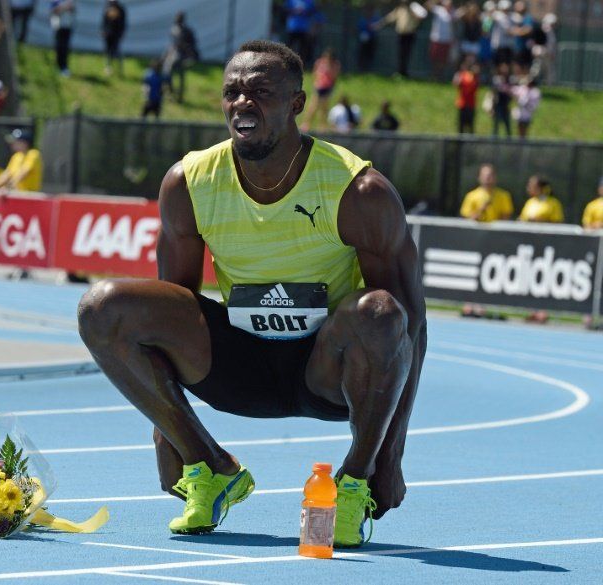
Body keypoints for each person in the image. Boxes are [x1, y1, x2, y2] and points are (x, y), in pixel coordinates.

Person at [77, 40, 426, 546]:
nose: (243, 103)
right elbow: (174, 307)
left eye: (261, 91)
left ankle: (353, 483)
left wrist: (389, 454)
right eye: (232, 93)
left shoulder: (358, 190)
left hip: (328, 372)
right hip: (235, 365)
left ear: (297, 104)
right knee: (103, 308)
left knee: (380, 312)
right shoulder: (190, 181)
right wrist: (168, 431)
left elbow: (409, 327)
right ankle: (211, 466)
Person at [375, 0, 427, 78]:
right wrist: (379, 24)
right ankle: (400, 71)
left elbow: (422, 15)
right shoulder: (399, 9)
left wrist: (412, 11)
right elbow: (390, 18)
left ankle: (404, 72)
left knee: (407, 54)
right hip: (401, 34)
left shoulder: (414, 7)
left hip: (410, 34)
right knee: (401, 54)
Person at [162, 11, 199, 104]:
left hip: (183, 55)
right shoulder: (173, 29)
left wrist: (189, 53)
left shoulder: (187, 31)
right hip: (174, 54)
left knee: (180, 76)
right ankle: (170, 92)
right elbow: (172, 44)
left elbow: (192, 44)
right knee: (167, 71)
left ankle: (180, 96)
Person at [300, 48, 340, 132]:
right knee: (313, 106)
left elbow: (334, 77)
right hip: (319, 86)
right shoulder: (320, 62)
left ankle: (323, 125)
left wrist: (329, 69)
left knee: (324, 108)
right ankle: (306, 123)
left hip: (328, 87)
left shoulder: (335, 65)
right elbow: (315, 73)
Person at [283, 0, 322, 67]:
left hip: (304, 29)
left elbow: (313, 12)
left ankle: (301, 66)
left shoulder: (309, 2)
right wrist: (295, 11)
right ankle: (286, 64)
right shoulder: (291, 1)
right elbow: (285, 10)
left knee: (303, 49)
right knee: (289, 47)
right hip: (292, 27)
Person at [426, 0, 455, 81]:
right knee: (434, 58)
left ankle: (440, 76)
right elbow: (428, 5)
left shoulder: (452, 12)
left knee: (443, 60)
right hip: (437, 39)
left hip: (447, 40)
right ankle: (433, 75)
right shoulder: (438, 10)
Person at [453, 56, 478, 134]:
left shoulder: (474, 75)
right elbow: (456, 83)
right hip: (462, 104)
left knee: (470, 126)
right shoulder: (461, 75)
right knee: (461, 127)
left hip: (471, 104)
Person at [101, 0, 126, 76]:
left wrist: (121, 33)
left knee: (116, 51)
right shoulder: (107, 6)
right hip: (108, 33)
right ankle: (108, 67)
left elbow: (123, 23)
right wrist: (103, 30)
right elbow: (104, 20)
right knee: (107, 51)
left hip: (116, 34)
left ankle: (120, 68)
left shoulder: (121, 8)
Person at [51, 0, 75, 77]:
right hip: (58, 26)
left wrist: (70, 8)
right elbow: (54, 10)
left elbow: (73, 10)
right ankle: (59, 66)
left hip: (68, 25)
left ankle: (64, 66)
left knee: (65, 48)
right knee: (59, 47)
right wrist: (64, 7)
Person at [490, 61, 513, 137]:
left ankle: (509, 142)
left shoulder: (510, 80)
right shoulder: (496, 79)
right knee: (496, 125)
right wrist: (492, 107)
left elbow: (511, 94)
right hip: (498, 104)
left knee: (507, 125)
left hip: (506, 105)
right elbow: (494, 93)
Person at [357, 6, 380, 72]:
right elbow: (359, 28)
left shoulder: (375, 19)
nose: (368, 12)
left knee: (370, 55)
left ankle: (369, 69)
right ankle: (361, 69)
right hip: (362, 41)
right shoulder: (362, 19)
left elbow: (377, 27)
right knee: (362, 54)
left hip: (372, 40)